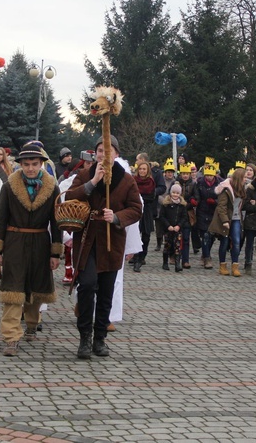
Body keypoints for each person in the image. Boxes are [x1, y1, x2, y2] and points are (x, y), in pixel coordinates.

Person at [66, 135, 142, 359]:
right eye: (100, 150)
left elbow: (136, 208)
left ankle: (99, 338)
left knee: (106, 292)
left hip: (111, 242)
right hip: (87, 240)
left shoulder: (126, 180)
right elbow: (69, 197)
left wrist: (117, 217)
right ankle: (84, 337)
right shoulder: (84, 174)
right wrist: (92, 183)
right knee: (87, 285)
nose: (104, 154)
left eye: (109, 151)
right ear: (95, 153)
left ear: (116, 154)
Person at [0, 144, 62, 357]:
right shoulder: (9, 186)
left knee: (37, 287)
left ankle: (32, 323)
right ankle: (11, 337)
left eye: (34, 164)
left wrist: (55, 252)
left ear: (41, 164)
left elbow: (56, 222)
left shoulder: (52, 187)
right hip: (15, 241)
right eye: (26, 164)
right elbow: (0, 219)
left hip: (40, 240)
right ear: (19, 165)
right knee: (13, 289)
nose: (30, 168)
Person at [210, 168, 246, 277]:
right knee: (224, 242)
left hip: (236, 218)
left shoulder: (243, 188)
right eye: (244, 177)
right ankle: (223, 265)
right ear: (239, 178)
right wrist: (225, 220)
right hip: (226, 219)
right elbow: (221, 207)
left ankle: (235, 266)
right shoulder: (226, 189)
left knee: (236, 241)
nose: (246, 179)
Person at [195, 162, 220, 269]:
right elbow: (197, 195)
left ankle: (205, 253)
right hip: (202, 211)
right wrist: (195, 201)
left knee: (211, 236)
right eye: (207, 175)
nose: (209, 177)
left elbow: (222, 198)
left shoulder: (219, 184)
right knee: (205, 235)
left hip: (213, 212)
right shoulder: (200, 184)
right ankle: (207, 257)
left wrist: (215, 201)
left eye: (211, 175)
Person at [132, 161, 156, 272]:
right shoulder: (133, 181)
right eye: (140, 169)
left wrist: (141, 198)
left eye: (144, 169)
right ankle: (136, 258)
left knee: (146, 236)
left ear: (147, 171)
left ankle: (142, 257)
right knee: (135, 234)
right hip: (136, 210)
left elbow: (151, 197)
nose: (142, 171)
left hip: (147, 211)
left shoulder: (151, 182)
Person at [160, 182, 188, 272]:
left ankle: (177, 264)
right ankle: (165, 262)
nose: (175, 195)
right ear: (170, 193)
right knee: (167, 245)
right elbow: (162, 216)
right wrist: (168, 225)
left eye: (177, 193)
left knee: (178, 246)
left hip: (177, 229)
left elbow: (184, 217)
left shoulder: (182, 205)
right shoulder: (166, 204)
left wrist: (179, 225)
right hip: (168, 229)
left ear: (180, 194)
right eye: (174, 192)